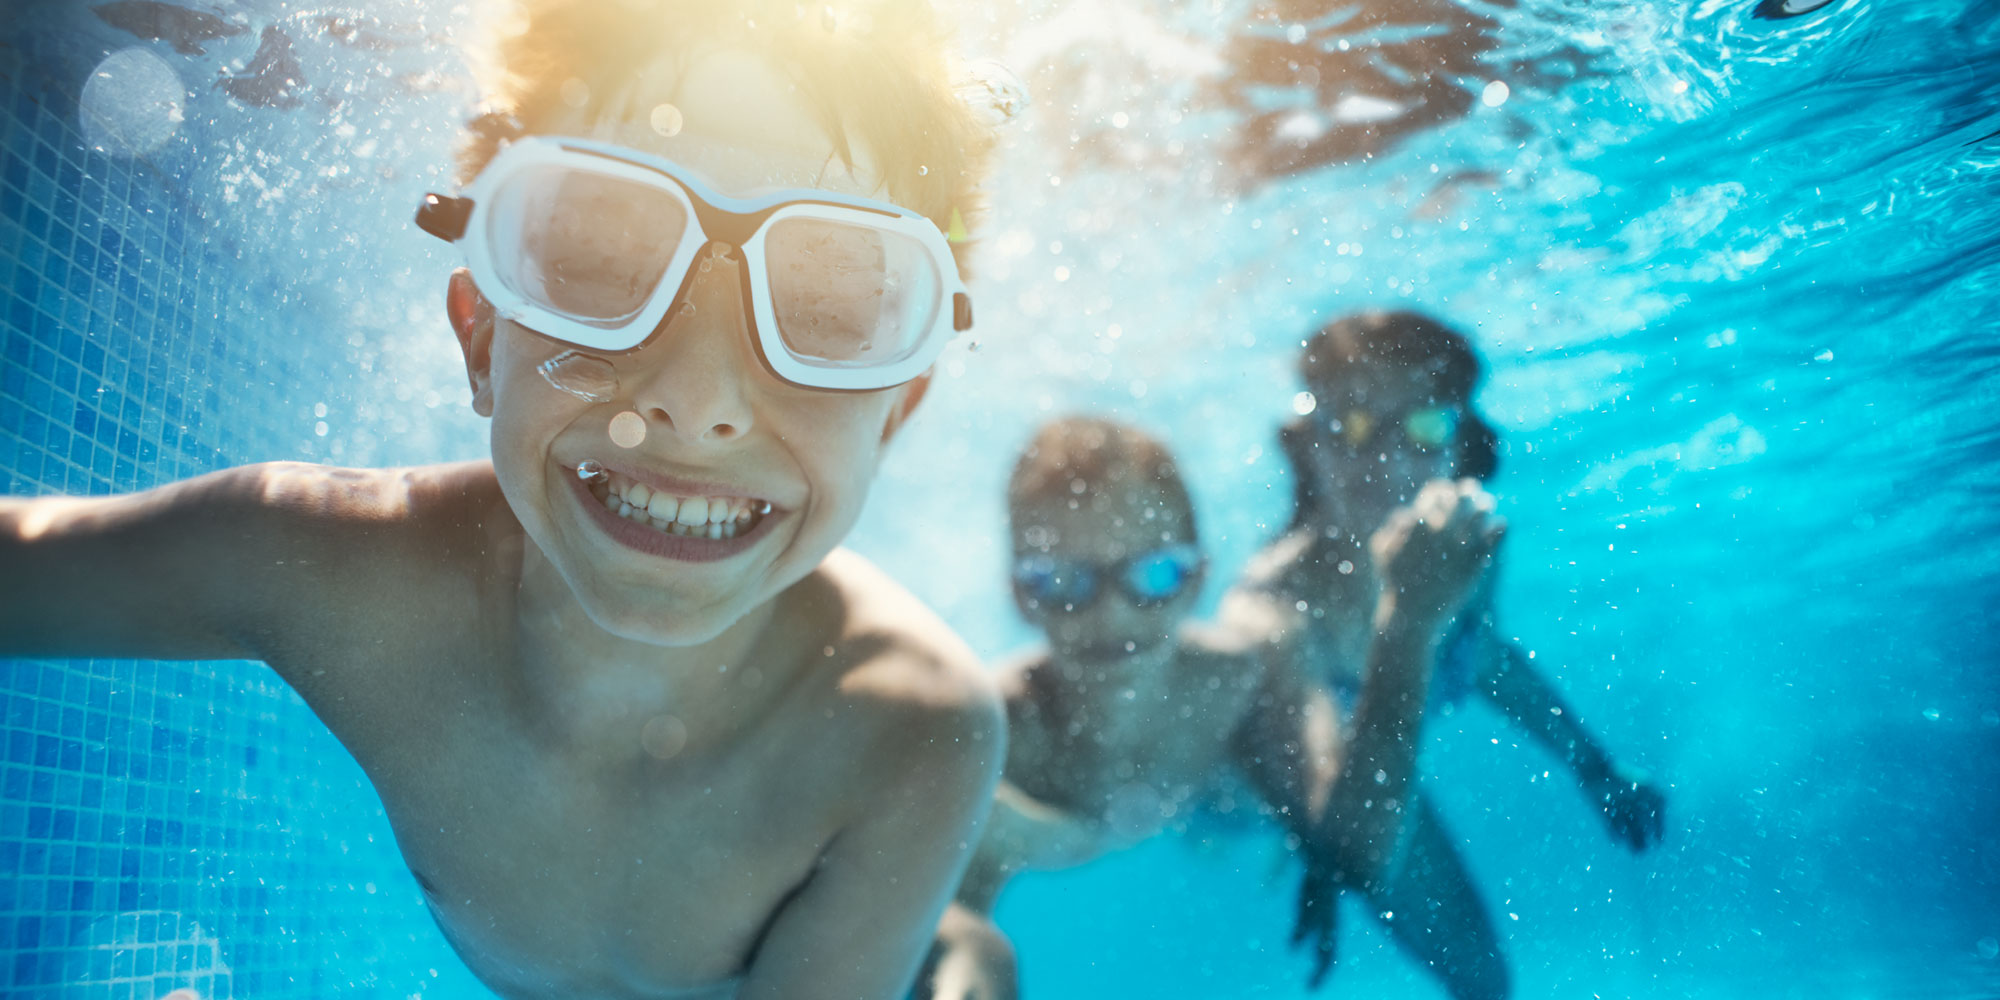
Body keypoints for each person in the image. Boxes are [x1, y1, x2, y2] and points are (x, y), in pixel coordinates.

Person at [0, 1, 1010, 997]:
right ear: (482, 338)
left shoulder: (910, 730)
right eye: (601, 266)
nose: (695, 401)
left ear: (894, 410)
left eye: (828, 313)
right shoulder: (336, 574)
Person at [920, 416, 1503, 1000]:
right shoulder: (993, 734)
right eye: (1062, 582)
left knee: (1484, 979)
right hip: (1190, 809)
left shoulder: (1242, 675)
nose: (1111, 615)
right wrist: (968, 956)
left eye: (1154, 574)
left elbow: (1360, 853)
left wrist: (1408, 626)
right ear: (1020, 595)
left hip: (1250, 799)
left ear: (1198, 580)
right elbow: (944, 914)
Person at [1231, 309, 1670, 999]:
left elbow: (1484, 659)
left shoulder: (1463, 547)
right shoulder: (1276, 601)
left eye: (1424, 426)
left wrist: (1596, 767)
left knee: (1486, 981)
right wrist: (1318, 850)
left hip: (1367, 776)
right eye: (1351, 424)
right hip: (1245, 793)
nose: (1386, 457)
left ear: (1459, 446)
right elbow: (1288, 768)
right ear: (1306, 444)